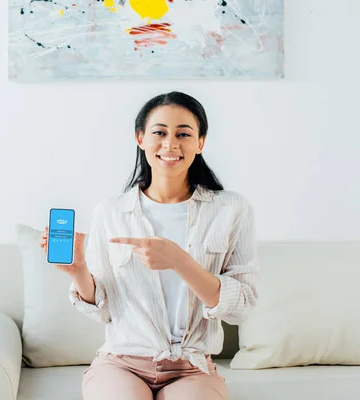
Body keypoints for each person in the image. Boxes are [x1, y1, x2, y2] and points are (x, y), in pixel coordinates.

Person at [40, 91, 259, 400]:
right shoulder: (111, 211)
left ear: (200, 143)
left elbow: (242, 308)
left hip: (191, 367)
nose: (170, 144)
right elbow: (104, 311)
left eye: (183, 133)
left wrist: (179, 260)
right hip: (121, 363)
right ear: (140, 138)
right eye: (159, 132)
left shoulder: (231, 210)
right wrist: (79, 272)